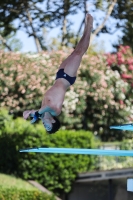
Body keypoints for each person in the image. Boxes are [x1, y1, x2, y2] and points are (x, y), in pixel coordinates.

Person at [23, 13, 93, 134]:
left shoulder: (41, 113)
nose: (45, 125)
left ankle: (86, 29)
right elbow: (48, 107)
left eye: (45, 127)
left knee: (75, 52)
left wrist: (30, 112)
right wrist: (35, 113)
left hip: (59, 75)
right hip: (67, 78)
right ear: (54, 121)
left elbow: (34, 112)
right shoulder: (55, 111)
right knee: (78, 53)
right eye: (48, 126)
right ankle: (89, 27)